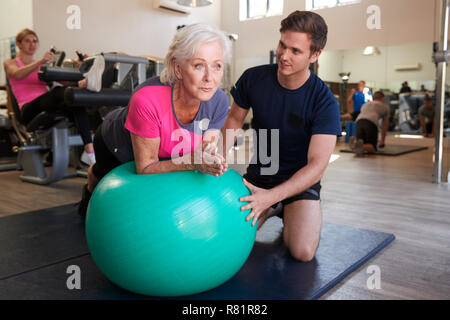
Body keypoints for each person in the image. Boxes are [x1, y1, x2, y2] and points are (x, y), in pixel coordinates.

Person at [220, 11, 341, 262]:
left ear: (315, 54)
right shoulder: (253, 78)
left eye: (295, 51)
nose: (284, 56)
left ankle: (287, 208)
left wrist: (272, 197)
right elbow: (234, 120)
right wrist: (218, 160)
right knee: (230, 239)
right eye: (282, 45)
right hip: (260, 177)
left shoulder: (323, 101)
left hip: (299, 185)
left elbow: (317, 165)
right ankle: (275, 206)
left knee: (303, 252)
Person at [77, 23, 231, 217]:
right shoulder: (147, 99)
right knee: (102, 185)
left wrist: (209, 157)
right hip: (116, 143)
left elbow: (205, 146)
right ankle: (91, 180)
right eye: (199, 65)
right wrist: (192, 162)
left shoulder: (219, 102)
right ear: (178, 68)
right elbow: (146, 167)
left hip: (166, 150)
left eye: (217, 66)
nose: (210, 77)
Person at [3, 28, 103, 166]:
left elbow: (65, 82)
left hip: (45, 103)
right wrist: (40, 62)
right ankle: (83, 84)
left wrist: (82, 69)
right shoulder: (11, 62)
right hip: (28, 110)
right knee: (58, 91)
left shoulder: (43, 64)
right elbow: (17, 74)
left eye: (35, 41)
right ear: (19, 44)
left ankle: (89, 151)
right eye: (27, 41)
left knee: (75, 99)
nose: (32, 44)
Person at [349, 91, 390, 155]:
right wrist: (382, 141)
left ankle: (355, 144)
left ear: (373, 97)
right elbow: (384, 125)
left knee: (361, 143)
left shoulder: (365, 104)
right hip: (370, 122)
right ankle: (356, 145)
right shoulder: (384, 106)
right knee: (372, 148)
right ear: (382, 98)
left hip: (358, 122)